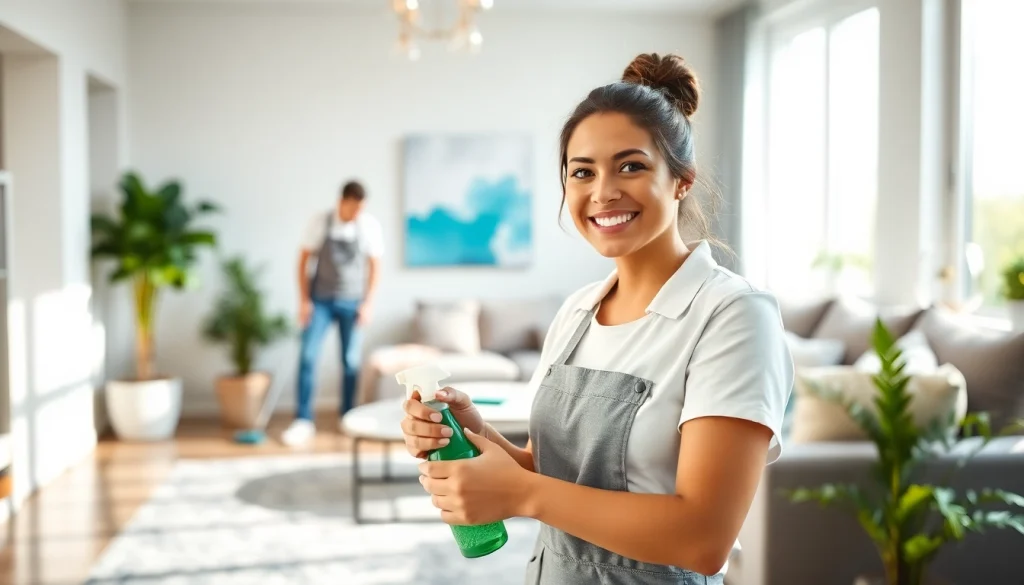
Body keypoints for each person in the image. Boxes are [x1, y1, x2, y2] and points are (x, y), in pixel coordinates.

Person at [400, 53, 793, 584]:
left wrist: (522, 493)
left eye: (630, 165)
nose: (603, 191)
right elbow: (555, 473)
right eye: (582, 172)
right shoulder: (577, 313)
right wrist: (478, 435)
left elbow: (703, 536)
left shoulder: (732, 316)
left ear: (681, 180)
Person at [281, 180, 384, 447]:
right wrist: (304, 301)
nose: (357, 213)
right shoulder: (320, 222)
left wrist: (368, 303)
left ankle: (347, 416)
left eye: (361, 209)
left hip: (353, 301)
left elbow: (375, 266)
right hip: (321, 301)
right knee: (308, 356)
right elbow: (303, 260)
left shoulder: (368, 226)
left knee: (350, 362)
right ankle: (303, 419)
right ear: (342, 202)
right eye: (353, 208)